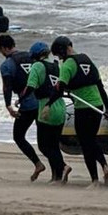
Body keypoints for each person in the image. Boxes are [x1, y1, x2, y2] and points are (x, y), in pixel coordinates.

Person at [50, 35, 108, 187]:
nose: (59, 58)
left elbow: (59, 89)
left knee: (86, 144)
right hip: (97, 105)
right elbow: (100, 86)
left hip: (83, 108)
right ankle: (105, 166)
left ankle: (95, 180)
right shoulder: (87, 60)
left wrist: (49, 104)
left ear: (62, 51)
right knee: (91, 139)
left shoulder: (67, 65)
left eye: (59, 55)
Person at [18, 42, 71, 184]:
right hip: (60, 107)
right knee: (54, 145)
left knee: (44, 145)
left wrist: (20, 100)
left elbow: (30, 87)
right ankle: (56, 177)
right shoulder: (56, 65)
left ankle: (63, 166)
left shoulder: (37, 66)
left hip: (46, 108)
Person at [0, 34, 45, 181]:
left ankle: (38, 164)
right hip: (43, 102)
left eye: (0, 50)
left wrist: (8, 106)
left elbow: (7, 88)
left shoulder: (7, 65)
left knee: (18, 136)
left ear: (4, 48)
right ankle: (60, 168)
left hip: (28, 105)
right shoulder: (31, 56)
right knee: (45, 141)